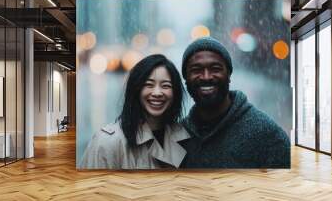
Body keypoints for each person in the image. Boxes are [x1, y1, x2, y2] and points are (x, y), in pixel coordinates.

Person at [179, 37, 290, 168]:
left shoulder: (267, 135)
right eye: (196, 70)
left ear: (229, 75)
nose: (206, 76)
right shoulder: (179, 137)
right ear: (186, 78)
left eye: (215, 68)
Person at [80, 54, 190, 169]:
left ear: (175, 93)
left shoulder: (186, 137)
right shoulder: (107, 142)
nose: (157, 93)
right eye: (149, 85)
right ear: (136, 89)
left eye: (165, 86)